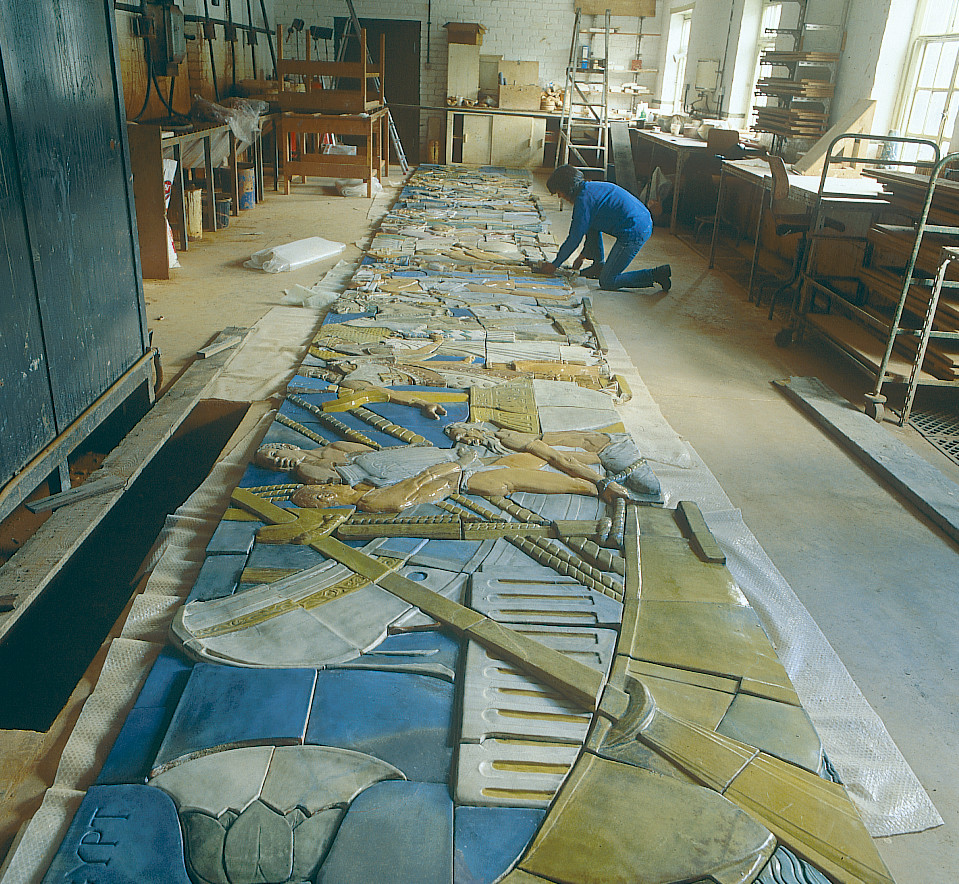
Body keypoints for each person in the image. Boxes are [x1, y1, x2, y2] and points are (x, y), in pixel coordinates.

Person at [536, 164, 671, 293]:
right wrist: (583, 255)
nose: (560, 196)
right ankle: (598, 266)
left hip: (636, 230)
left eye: (559, 192)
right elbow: (588, 228)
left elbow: (574, 238)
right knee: (591, 224)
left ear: (568, 188)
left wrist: (555, 265)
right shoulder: (589, 189)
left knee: (607, 281)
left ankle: (656, 274)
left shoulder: (583, 202)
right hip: (640, 217)